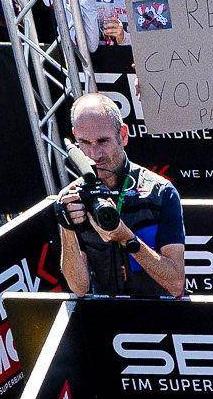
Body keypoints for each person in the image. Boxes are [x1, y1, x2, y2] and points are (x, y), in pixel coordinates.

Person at [55, 90, 189, 298]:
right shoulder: (73, 198)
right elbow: (79, 288)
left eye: (103, 141)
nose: (94, 154)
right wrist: (67, 228)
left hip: (158, 312)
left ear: (123, 135)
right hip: (105, 313)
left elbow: (176, 284)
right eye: (84, 143)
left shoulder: (160, 192)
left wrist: (127, 238)